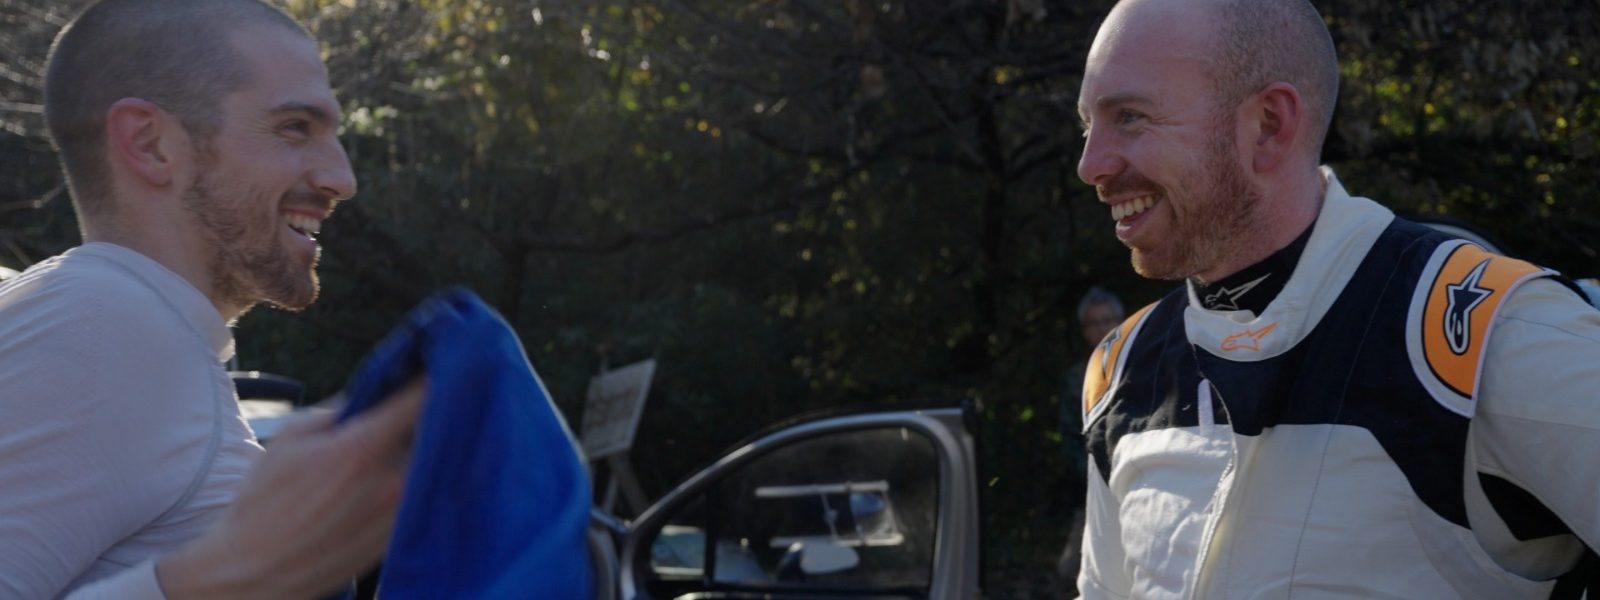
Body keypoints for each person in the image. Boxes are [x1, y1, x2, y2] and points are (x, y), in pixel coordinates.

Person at [1073, 0, 1600, 598]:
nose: (1091, 165)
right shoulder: (1124, 368)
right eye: (1089, 126)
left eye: (1130, 118)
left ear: (1269, 124)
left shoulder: (1488, 333)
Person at [0, 1, 424, 598]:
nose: (341, 179)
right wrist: (223, 572)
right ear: (151, 144)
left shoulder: (135, 329)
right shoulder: (107, 322)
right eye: (294, 128)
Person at [1055, 286, 1123, 598]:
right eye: (1094, 323)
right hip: (1092, 486)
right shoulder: (1077, 378)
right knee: (1073, 569)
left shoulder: (1141, 366)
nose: (1102, 329)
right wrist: (1094, 475)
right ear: (1084, 330)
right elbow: (1069, 436)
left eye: (1108, 321)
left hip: (1139, 480)